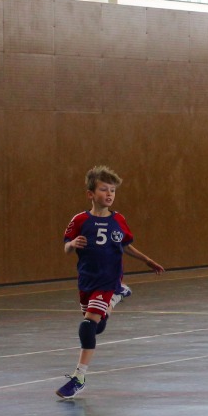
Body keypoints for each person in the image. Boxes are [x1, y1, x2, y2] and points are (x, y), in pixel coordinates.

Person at [56, 166, 165, 400]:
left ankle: (79, 378)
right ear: (90, 194)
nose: (109, 194)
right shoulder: (80, 220)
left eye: (112, 190)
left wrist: (147, 260)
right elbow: (66, 247)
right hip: (87, 280)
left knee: (87, 327)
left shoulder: (118, 220)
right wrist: (72, 244)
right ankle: (117, 296)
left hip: (108, 280)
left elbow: (125, 245)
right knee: (97, 328)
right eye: (104, 189)